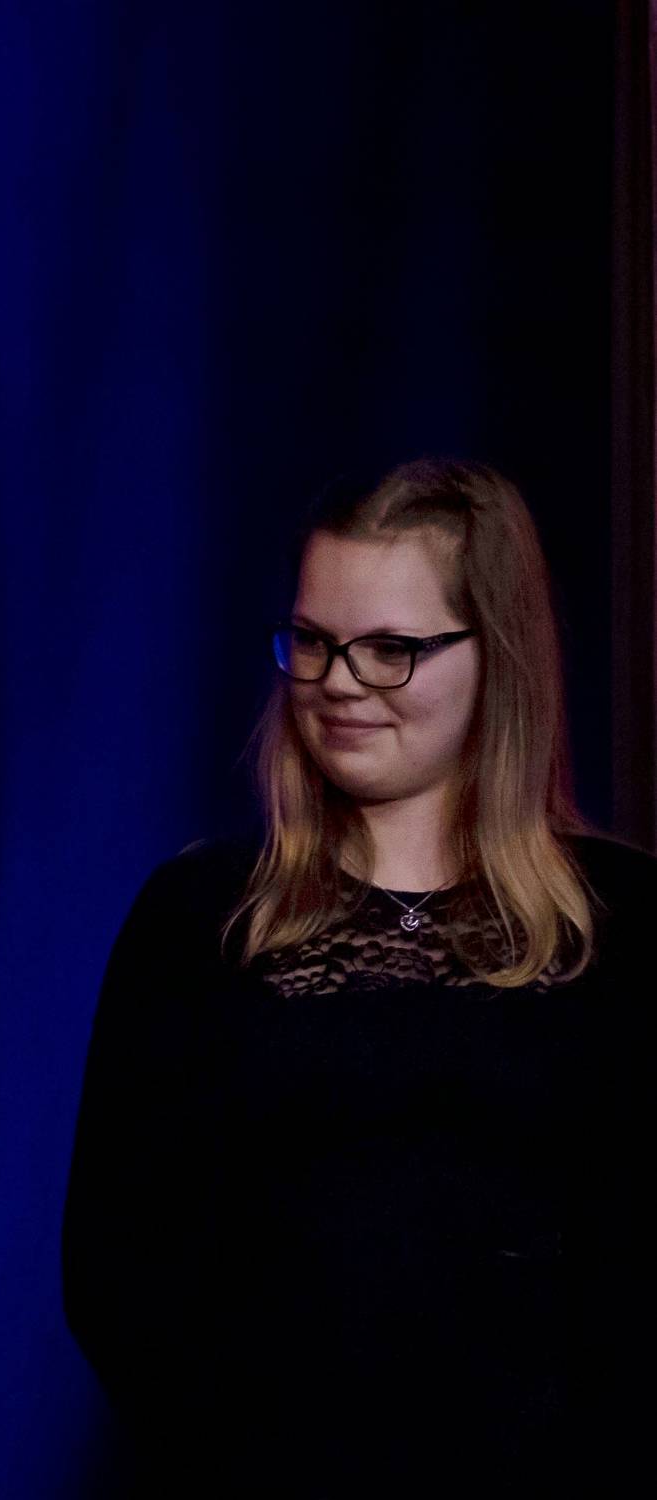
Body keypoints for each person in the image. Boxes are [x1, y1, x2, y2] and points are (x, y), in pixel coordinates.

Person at [62, 459, 654, 1496]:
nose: (338, 682)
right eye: (313, 642)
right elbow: (116, 1266)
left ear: (499, 655)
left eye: (390, 649)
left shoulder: (629, 922)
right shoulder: (199, 915)